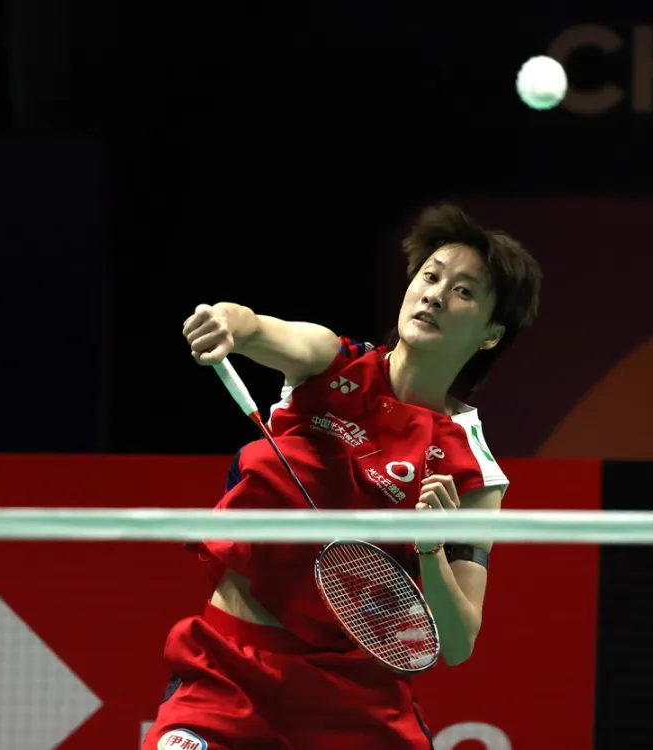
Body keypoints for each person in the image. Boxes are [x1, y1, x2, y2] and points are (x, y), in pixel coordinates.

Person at [143, 203, 543, 750]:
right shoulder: (331, 364)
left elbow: (456, 642)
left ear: (491, 334)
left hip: (351, 701)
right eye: (430, 277)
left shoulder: (473, 470)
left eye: (463, 292)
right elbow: (259, 328)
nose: (434, 296)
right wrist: (227, 322)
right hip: (228, 671)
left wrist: (431, 550)